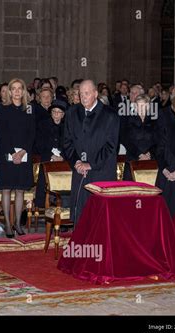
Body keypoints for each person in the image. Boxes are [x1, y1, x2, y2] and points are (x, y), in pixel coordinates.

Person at [63, 80, 120, 225]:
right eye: (80, 94)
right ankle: (81, 245)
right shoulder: (72, 113)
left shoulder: (110, 115)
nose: (83, 97)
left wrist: (90, 164)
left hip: (101, 172)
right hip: (79, 171)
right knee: (81, 216)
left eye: (86, 93)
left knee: (99, 217)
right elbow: (67, 142)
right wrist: (76, 161)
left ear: (95, 94)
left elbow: (111, 146)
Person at [0, 78, 36, 237]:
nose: (17, 91)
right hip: (7, 153)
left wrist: (23, 151)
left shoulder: (30, 109)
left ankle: (18, 223)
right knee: (6, 189)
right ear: (10, 91)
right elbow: (3, 134)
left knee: (20, 190)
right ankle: (7, 223)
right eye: (14, 88)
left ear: (24, 91)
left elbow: (32, 132)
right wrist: (13, 152)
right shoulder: (3, 108)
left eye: (20, 88)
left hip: (24, 154)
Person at [34, 100, 67, 208]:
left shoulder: (67, 126)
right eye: (54, 111)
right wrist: (51, 155)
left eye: (59, 112)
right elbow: (39, 143)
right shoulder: (43, 125)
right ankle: (43, 206)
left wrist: (62, 156)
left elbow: (70, 144)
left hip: (63, 161)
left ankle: (62, 207)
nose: (56, 114)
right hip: (47, 159)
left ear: (63, 114)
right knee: (44, 184)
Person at [122, 94, 157, 181]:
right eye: (138, 106)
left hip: (150, 161)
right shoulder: (128, 121)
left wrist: (149, 153)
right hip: (132, 160)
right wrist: (139, 154)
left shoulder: (154, 123)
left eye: (143, 105)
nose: (140, 108)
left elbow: (158, 141)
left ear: (148, 106)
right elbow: (126, 141)